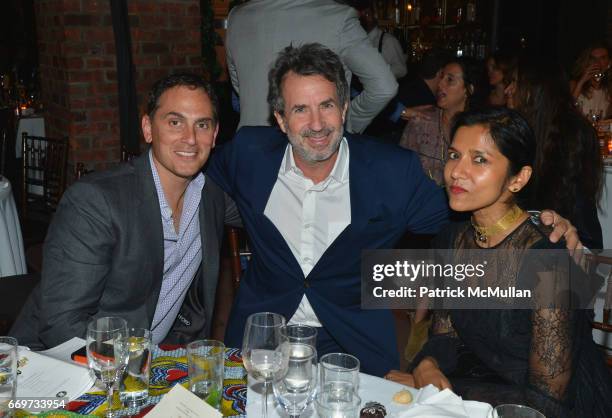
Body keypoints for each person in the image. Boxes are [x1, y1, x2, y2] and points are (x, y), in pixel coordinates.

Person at [207, 43, 580, 377]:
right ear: (281, 119)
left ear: (345, 108)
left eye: (327, 106)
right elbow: (192, 175)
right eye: (300, 110)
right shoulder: (249, 155)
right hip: (264, 338)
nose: (317, 124)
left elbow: (463, 207)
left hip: (351, 345)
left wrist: (534, 224)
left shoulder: (391, 171)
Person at [386, 107, 612, 417]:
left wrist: (448, 388)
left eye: (479, 160)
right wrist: (427, 364)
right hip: (485, 390)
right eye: (454, 155)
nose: (457, 171)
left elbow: (547, 400)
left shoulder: (548, 263)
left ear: (518, 178)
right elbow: (444, 336)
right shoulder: (451, 241)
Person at [10, 74, 240, 349]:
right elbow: (62, 325)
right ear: (147, 128)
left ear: (214, 135)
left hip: (158, 359)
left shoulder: (212, 197)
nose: (190, 139)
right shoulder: (95, 201)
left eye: (201, 125)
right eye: (175, 122)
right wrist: (137, 370)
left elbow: (266, 210)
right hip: (62, 363)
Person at [225, 0, 398, 134]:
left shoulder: (237, 17)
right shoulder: (338, 17)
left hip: (251, 150)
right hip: (316, 151)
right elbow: (384, 86)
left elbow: (239, 87)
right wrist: (345, 120)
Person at [506, 57, 604, 249]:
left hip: (566, 241)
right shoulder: (518, 128)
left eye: (515, 83)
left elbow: (573, 205)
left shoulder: (571, 133)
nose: (508, 90)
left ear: (534, 89)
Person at [399, 57, 487, 185]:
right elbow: (401, 169)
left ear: (468, 90)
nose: (440, 85)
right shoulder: (422, 122)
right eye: (441, 78)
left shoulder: (480, 129)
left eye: (450, 80)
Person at [358, 2, 407, 79]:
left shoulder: (388, 41)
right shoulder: (358, 41)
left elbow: (401, 70)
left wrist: (377, 73)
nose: (364, 19)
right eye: (361, 16)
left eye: (367, 14)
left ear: (375, 16)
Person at [570, 41, 612, 119]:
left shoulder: (608, 89)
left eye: (602, 58)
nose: (597, 63)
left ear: (609, 63)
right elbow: (566, 110)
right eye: (593, 59)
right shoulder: (574, 84)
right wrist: (581, 82)